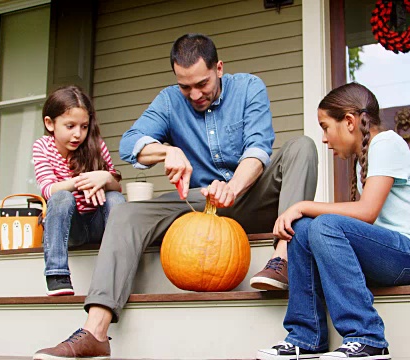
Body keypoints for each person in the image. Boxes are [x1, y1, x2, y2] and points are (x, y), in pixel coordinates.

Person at [33, 33, 318, 359]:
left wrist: (233, 187)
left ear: (219, 68)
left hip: (253, 195)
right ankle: (94, 331)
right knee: (125, 211)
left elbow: (257, 148)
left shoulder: (249, 87)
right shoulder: (170, 100)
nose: (194, 94)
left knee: (302, 147)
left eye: (202, 84)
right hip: (200, 203)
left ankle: (281, 259)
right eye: (186, 87)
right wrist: (165, 151)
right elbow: (130, 143)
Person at [256, 83, 410, 360]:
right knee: (304, 227)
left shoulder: (387, 143)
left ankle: (368, 338)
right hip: (388, 254)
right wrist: (303, 214)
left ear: (350, 122)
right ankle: (306, 337)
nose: (324, 138)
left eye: (325, 126)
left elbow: (366, 212)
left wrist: (302, 204)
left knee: (321, 222)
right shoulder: (364, 158)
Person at [32, 85, 125, 296]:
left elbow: (116, 186)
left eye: (84, 126)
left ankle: (117, 270)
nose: (78, 134)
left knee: (115, 198)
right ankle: (57, 274)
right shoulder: (43, 146)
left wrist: (104, 178)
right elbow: (48, 189)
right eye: (70, 126)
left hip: (97, 224)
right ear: (50, 123)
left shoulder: (95, 145)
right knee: (62, 197)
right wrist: (85, 181)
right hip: (70, 227)